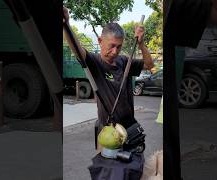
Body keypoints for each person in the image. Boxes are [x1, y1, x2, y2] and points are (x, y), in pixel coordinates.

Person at [63, 6, 154, 150]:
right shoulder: (95, 63)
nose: (115, 52)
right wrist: (66, 24)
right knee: (106, 171)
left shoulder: (124, 61)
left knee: (132, 169)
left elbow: (150, 65)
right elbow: (77, 50)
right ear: (100, 41)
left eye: (119, 47)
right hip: (107, 132)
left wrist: (141, 44)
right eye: (111, 46)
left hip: (130, 128)